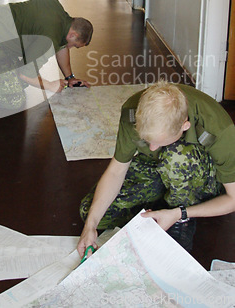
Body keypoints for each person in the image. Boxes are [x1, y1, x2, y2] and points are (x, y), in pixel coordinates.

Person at [77, 81, 235, 256]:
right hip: (159, 167)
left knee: (177, 157)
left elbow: (232, 198)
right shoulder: (133, 111)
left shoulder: (220, 129)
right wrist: (90, 226)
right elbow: (116, 171)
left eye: (158, 142)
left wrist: (179, 213)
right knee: (91, 212)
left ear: (185, 126)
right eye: (146, 140)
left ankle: (181, 220)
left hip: (199, 176)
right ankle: (161, 207)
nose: (152, 148)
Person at [0, 0, 93, 116]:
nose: (70, 47)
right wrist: (50, 85)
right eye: (74, 45)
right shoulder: (49, 39)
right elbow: (25, 74)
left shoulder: (58, 12)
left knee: (19, 83)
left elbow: (62, 46)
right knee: (14, 99)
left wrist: (70, 78)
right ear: (73, 34)